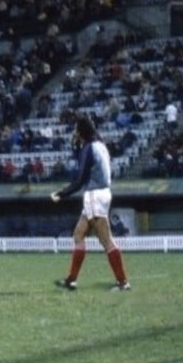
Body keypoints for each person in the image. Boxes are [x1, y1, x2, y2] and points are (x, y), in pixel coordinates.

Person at [50, 116, 130, 291]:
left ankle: (123, 282)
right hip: (101, 193)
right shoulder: (100, 145)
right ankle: (71, 280)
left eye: (76, 130)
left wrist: (61, 194)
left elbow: (80, 180)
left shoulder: (88, 148)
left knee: (106, 240)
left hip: (95, 195)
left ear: (81, 132)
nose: (74, 133)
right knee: (78, 235)